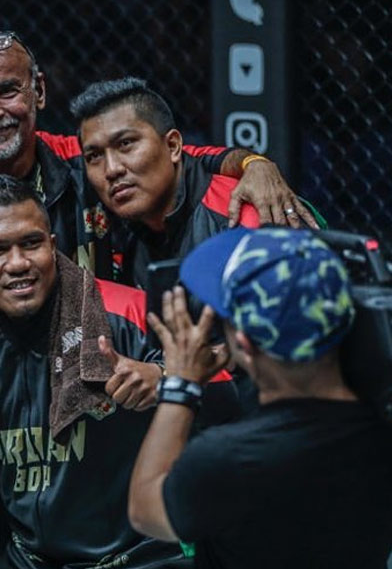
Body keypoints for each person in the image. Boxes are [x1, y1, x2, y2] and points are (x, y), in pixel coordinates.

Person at [0, 31, 315, 322]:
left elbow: (175, 158)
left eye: (7, 91)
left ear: (38, 91)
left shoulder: (88, 160)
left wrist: (252, 164)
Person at [0, 174, 191, 569]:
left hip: (141, 559)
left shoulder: (122, 315)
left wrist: (162, 378)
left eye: (31, 243)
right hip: (28, 559)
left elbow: (222, 381)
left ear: (53, 246)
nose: (18, 263)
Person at [129, 227, 392, 568]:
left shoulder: (227, 459)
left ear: (245, 345)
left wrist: (180, 383)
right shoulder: (379, 430)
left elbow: (145, 509)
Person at [71, 76, 268, 289]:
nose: (111, 169)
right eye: (94, 156)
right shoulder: (132, 232)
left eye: (126, 143)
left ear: (173, 146)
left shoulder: (239, 217)